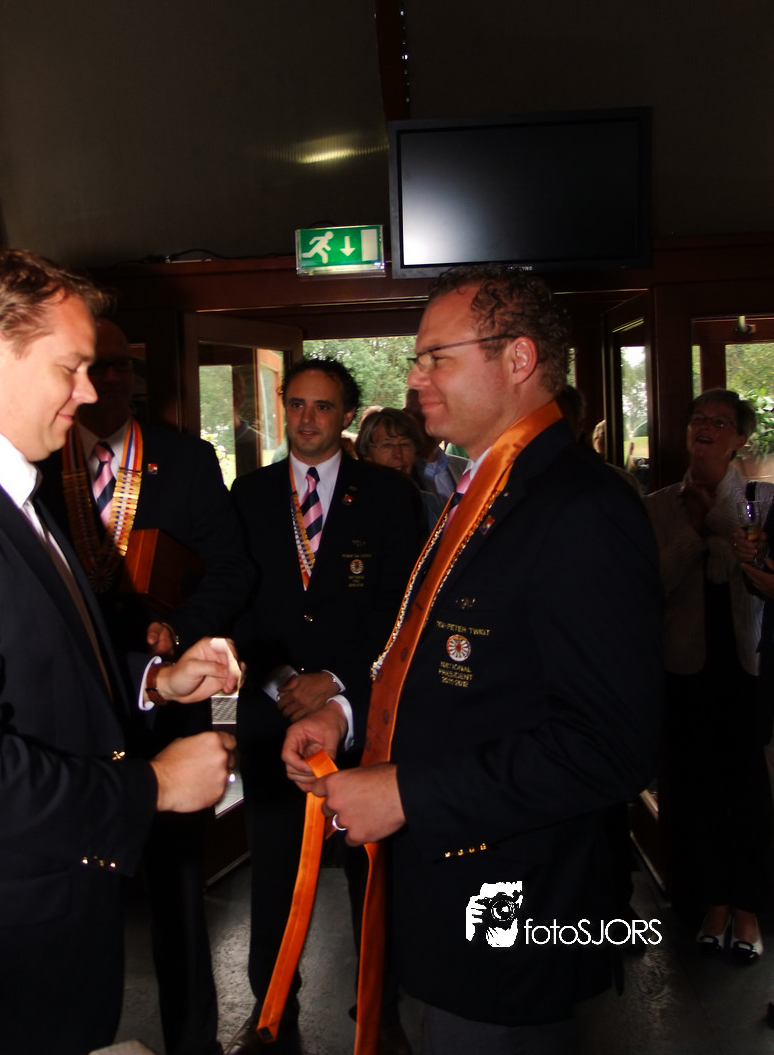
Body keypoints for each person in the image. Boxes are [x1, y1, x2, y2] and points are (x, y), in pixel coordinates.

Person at [283, 266, 662, 1055]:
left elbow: (608, 747)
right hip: (447, 888)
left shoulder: (579, 506)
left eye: (436, 358)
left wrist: (406, 792)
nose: (415, 379)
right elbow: (440, 656)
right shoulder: (484, 485)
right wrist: (347, 714)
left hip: (512, 904)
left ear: (517, 359)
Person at [0, 248, 238, 1055]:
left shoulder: (0, 486)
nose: (90, 390)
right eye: (70, 367)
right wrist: (151, 785)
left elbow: (35, 659)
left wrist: (153, 682)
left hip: (36, 926)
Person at [39, 317, 252, 1055]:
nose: (110, 380)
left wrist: (181, 627)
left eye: (122, 366)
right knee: (75, 886)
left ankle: (193, 1041)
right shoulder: (42, 457)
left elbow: (233, 569)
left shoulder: (184, 459)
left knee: (177, 888)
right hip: (75, 707)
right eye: (96, 366)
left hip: (170, 705)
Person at [228, 357, 422, 1055]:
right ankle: (270, 1009)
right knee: (276, 867)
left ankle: (381, 1011)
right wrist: (286, 680)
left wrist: (336, 680)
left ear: (346, 416)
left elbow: (401, 605)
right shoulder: (248, 493)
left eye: (322, 406)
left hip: (362, 708)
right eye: (297, 404)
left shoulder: (388, 495)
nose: (307, 418)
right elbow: (235, 599)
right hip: (273, 710)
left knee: (372, 869)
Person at [645, 388, 774, 961]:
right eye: (698, 418)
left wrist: (722, 528)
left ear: (740, 438)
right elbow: (655, 583)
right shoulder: (659, 506)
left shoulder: (762, 502)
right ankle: (712, 903)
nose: (705, 427)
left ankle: (749, 910)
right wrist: (696, 531)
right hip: (686, 669)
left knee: (748, 794)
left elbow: (757, 568)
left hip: (749, 667)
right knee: (696, 792)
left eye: (720, 422)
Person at [356, 405, 440, 531]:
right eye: (387, 445)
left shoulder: (428, 504)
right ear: (366, 454)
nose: (398, 454)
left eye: (405, 444)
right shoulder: (352, 503)